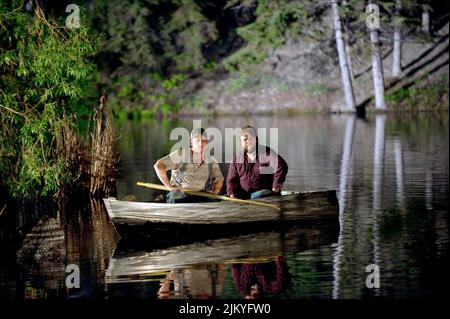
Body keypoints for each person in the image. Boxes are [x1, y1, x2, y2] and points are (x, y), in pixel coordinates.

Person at [154, 128, 224, 203]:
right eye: (197, 140)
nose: (201, 144)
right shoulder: (181, 155)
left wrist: (214, 193)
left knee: (214, 201)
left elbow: (219, 179)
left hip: (199, 194)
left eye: (204, 141)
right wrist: (169, 187)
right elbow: (158, 166)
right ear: (191, 142)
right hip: (179, 194)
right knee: (176, 200)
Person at [226, 126, 288, 199]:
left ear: (256, 139)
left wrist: (276, 188)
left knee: (259, 195)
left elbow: (281, 166)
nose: (247, 142)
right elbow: (231, 181)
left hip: (264, 195)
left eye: (250, 139)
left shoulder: (266, 153)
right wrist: (232, 195)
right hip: (244, 196)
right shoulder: (236, 158)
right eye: (244, 140)